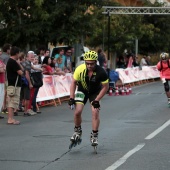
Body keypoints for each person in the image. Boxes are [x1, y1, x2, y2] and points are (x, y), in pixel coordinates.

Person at [68, 50, 109, 147]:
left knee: (95, 112)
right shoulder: (80, 69)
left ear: (96, 62)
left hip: (95, 92)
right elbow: (73, 83)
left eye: (92, 64)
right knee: (77, 111)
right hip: (82, 90)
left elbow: (105, 87)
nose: (89, 66)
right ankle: (77, 131)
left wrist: (97, 100)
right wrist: (71, 97)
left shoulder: (101, 72)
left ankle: (94, 135)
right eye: (87, 63)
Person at [6, 46, 23, 125]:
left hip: (11, 84)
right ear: (16, 53)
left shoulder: (10, 61)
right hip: (14, 85)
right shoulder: (13, 62)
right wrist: (19, 64)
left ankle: (11, 118)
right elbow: (20, 72)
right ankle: (10, 118)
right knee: (12, 102)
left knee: (12, 102)